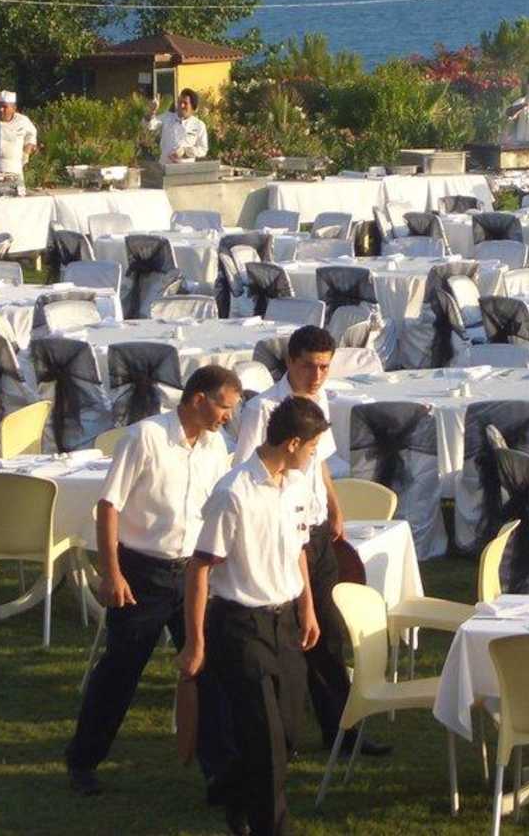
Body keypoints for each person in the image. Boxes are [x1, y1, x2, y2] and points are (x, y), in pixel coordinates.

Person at [65, 364, 242, 797]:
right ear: (198, 399)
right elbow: (109, 506)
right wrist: (112, 573)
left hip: (193, 574)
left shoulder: (216, 446)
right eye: (225, 407)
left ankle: (218, 772)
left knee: (208, 669)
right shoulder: (144, 437)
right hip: (142, 573)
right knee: (120, 671)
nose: (229, 417)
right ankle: (83, 761)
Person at [232, 326, 389, 761]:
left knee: (328, 633)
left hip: (317, 531)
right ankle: (283, 736)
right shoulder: (263, 409)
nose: (317, 375)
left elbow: (319, 463)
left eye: (324, 367)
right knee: (291, 634)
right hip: (284, 533)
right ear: (290, 362)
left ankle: (342, 732)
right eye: (309, 366)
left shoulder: (320, 400)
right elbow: (247, 472)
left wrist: (334, 508)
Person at [181, 396, 327, 836]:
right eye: (312, 447)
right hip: (241, 626)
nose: (314, 456)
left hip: (286, 623)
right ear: (293, 443)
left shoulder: (296, 486)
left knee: (289, 732)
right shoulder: (233, 493)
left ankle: (233, 793)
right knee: (267, 744)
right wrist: (196, 643)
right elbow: (199, 567)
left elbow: (299, 550)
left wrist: (308, 607)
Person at [148, 88, 211, 163]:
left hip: (186, 168)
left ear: (193, 107)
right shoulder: (167, 117)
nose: (181, 105)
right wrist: (152, 111)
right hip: (165, 166)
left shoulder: (199, 125)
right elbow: (149, 125)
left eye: (185, 103)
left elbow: (203, 149)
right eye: (180, 102)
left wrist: (185, 151)